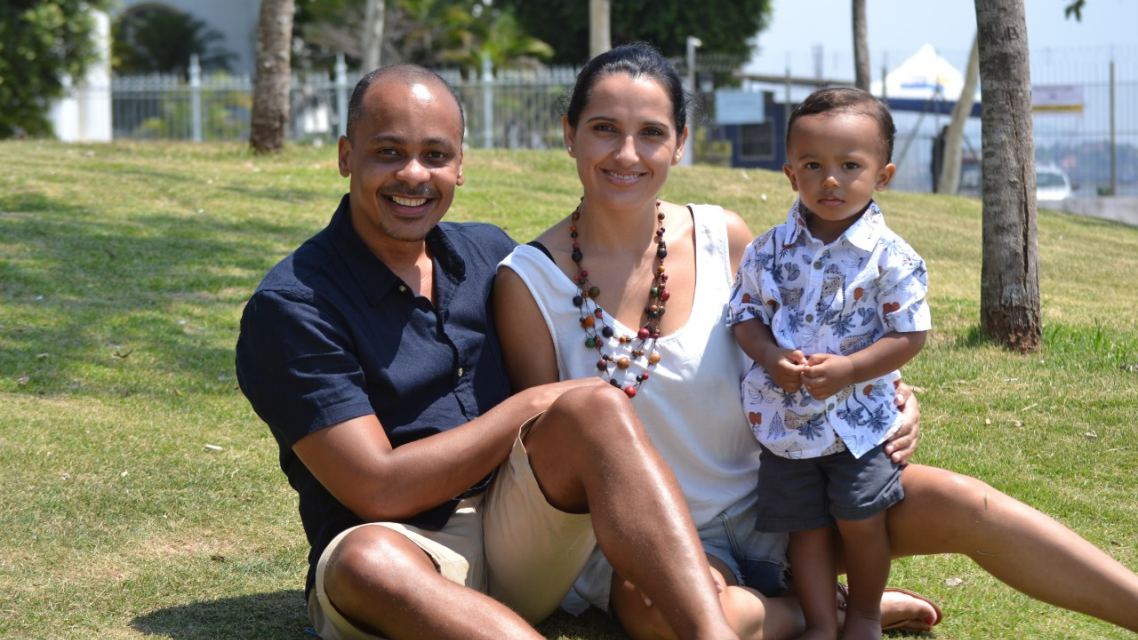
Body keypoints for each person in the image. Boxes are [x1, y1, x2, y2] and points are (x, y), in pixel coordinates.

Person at [493, 42, 1138, 639]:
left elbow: (815, 334)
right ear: (570, 133)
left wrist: (894, 394)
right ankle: (831, 610)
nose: (628, 154)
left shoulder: (723, 236)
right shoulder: (530, 282)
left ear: (681, 143)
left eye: (652, 133)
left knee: (967, 503)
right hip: (665, 545)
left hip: (794, 490)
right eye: (605, 128)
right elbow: (550, 457)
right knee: (665, 615)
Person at [234, 64, 741, 640]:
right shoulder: (295, 307)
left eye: (435, 155)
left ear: (460, 164)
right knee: (363, 562)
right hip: (406, 549)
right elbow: (376, 487)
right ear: (347, 156)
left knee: (595, 408)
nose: (413, 174)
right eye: (388, 152)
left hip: (521, 526)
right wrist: (533, 405)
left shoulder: (488, 256)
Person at [727, 87, 930, 640]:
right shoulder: (767, 251)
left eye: (850, 166)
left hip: (859, 427)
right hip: (784, 425)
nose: (830, 180)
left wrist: (850, 369)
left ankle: (862, 615)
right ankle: (820, 622)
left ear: (883, 175)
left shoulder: (892, 257)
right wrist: (769, 355)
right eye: (813, 165)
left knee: (861, 521)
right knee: (806, 530)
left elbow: (910, 334)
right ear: (790, 173)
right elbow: (744, 315)